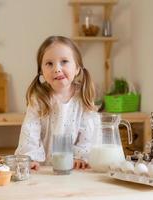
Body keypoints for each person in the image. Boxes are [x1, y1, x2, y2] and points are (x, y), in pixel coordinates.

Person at [15, 35, 98, 170]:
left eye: (64, 61)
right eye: (49, 63)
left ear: (77, 68)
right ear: (41, 71)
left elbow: (88, 133)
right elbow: (29, 132)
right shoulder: (38, 98)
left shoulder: (82, 98)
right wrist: (30, 159)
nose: (57, 69)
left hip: (75, 168)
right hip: (43, 169)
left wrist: (81, 156)